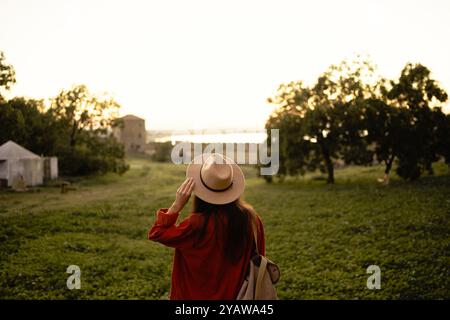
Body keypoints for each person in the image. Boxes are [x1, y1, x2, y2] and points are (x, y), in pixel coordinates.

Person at [148, 153, 265, 300]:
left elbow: (157, 233)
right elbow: (259, 259)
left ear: (199, 190)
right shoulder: (253, 220)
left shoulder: (196, 224)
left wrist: (177, 205)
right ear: (231, 186)